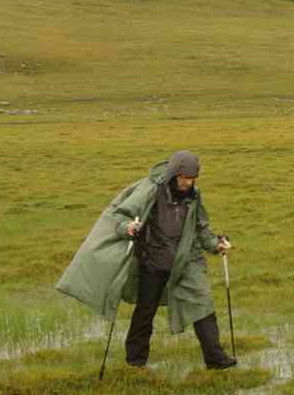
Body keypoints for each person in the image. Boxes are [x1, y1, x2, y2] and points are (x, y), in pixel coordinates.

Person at [57, 150, 237, 370]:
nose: (188, 183)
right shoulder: (150, 189)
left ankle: (216, 360)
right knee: (145, 311)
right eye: (185, 179)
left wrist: (216, 245)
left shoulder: (194, 196)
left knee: (202, 305)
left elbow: (202, 229)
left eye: (192, 179)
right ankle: (135, 362)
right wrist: (128, 228)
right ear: (173, 174)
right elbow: (118, 215)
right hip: (152, 261)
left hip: (185, 262)